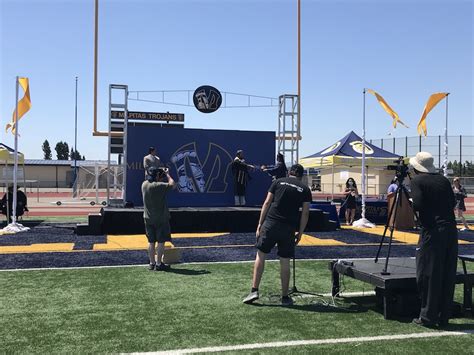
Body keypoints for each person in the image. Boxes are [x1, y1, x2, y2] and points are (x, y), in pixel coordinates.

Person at [243, 164, 312, 306]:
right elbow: (305, 213)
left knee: (261, 255)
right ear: (301, 176)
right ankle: (285, 297)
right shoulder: (305, 189)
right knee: (285, 261)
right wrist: (300, 232)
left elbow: (267, 202)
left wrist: (260, 224)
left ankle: (254, 290)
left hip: (271, 223)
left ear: (289, 172)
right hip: (288, 228)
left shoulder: (278, 181)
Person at [409, 152, 458, 327]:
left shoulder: (417, 181)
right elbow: (452, 202)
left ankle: (427, 316)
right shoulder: (443, 180)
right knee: (447, 271)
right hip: (450, 229)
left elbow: (419, 205)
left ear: (416, 168)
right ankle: (444, 315)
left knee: (428, 272)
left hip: (432, 230)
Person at [142, 166, 176, 271]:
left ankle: (151, 263)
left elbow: (150, 179)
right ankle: (158, 263)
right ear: (156, 175)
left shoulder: (144, 185)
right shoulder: (158, 186)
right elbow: (172, 184)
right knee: (161, 241)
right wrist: (167, 174)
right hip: (161, 218)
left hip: (148, 218)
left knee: (151, 242)